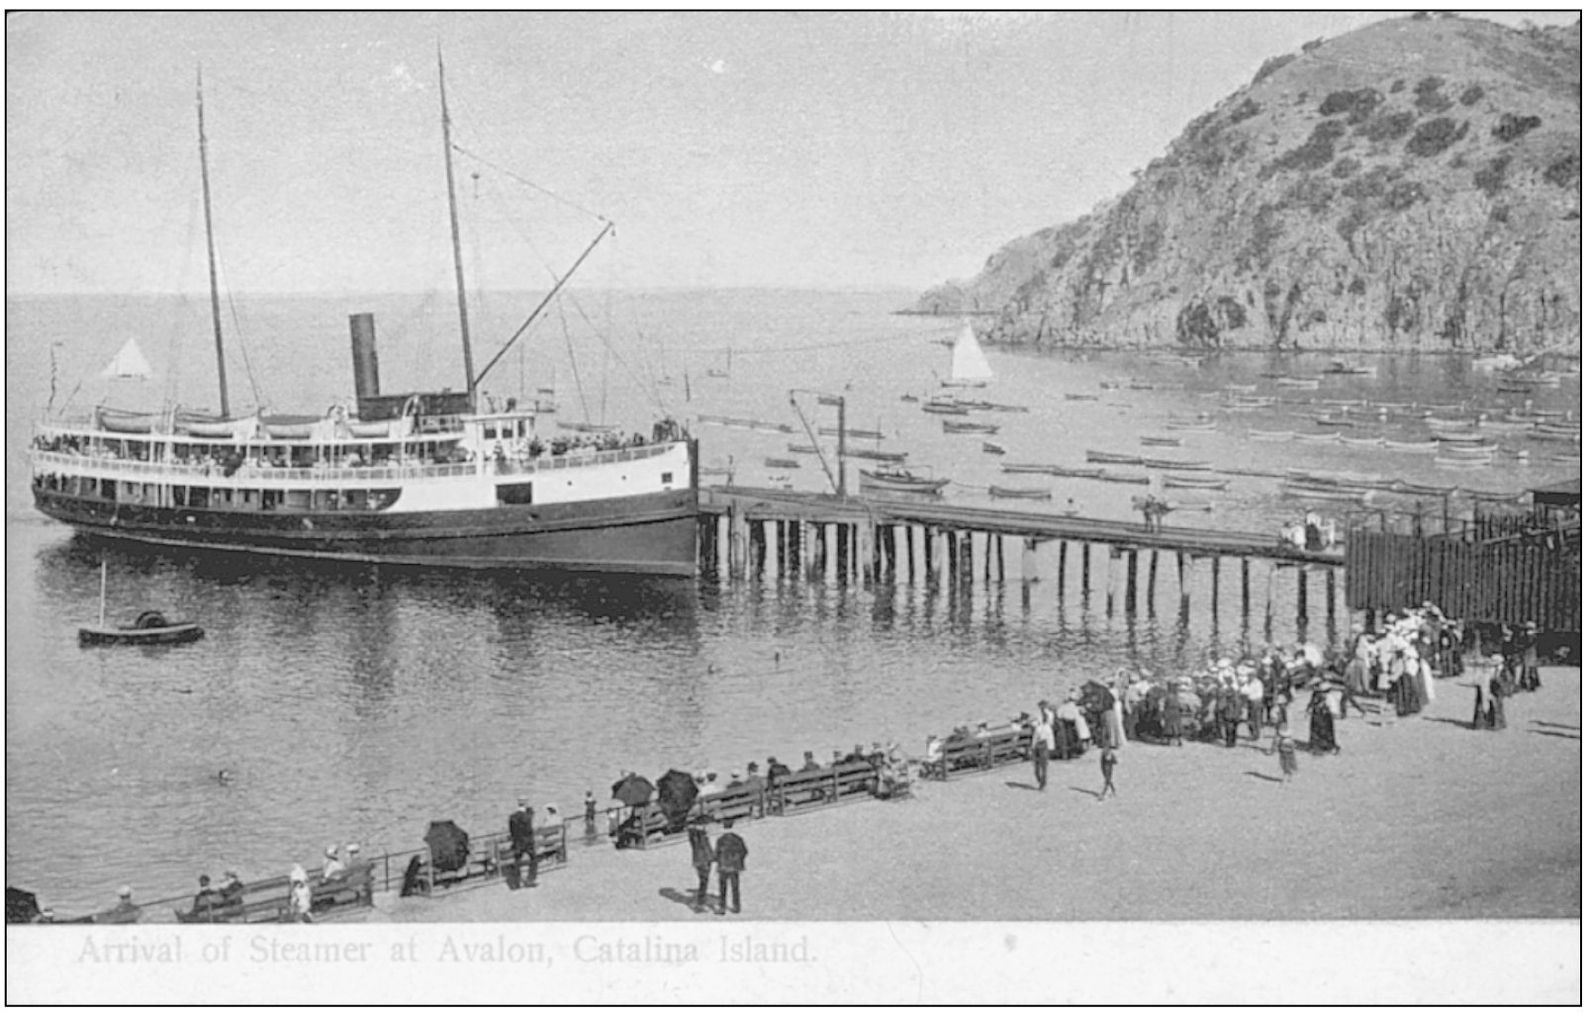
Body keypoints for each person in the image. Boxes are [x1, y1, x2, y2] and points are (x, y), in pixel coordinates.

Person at [714, 820, 748, 916]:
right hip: (735, 867)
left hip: (723, 867)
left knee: (723, 888)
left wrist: (719, 861)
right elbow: (744, 851)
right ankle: (736, 906)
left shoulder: (720, 840)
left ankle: (722, 907)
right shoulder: (738, 839)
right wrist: (739, 861)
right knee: (735, 888)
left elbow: (716, 854)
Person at [509, 798, 539, 889]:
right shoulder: (527, 817)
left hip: (518, 842)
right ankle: (530, 879)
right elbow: (529, 830)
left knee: (517, 861)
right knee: (534, 859)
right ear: (525, 804)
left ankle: (516, 882)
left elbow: (512, 831)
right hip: (528, 842)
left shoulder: (512, 817)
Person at [687, 820, 715, 912]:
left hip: (701, 860)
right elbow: (705, 848)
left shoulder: (697, 836)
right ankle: (700, 903)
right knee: (704, 882)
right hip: (703, 860)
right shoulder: (699, 836)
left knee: (704, 882)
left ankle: (701, 902)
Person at [1306, 683, 1339, 754]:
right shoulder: (1316, 695)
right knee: (1317, 731)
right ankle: (1317, 746)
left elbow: (1332, 706)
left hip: (1325, 716)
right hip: (1318, 716)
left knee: (1326, 732)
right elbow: (1312, 704)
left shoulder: (1328, 697)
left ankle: (1328, 747)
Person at [1031, 704, 1055, 790]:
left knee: (1043, 766)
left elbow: (1050, 739)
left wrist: (1051, 748)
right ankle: (1040, 780)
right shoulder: (1038, 727)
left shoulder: (1047, 728)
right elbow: (1034, 738)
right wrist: (1033, 747)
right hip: (1037, 746)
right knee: (1036, 767)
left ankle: (1042, 783)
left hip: (1044, 746)